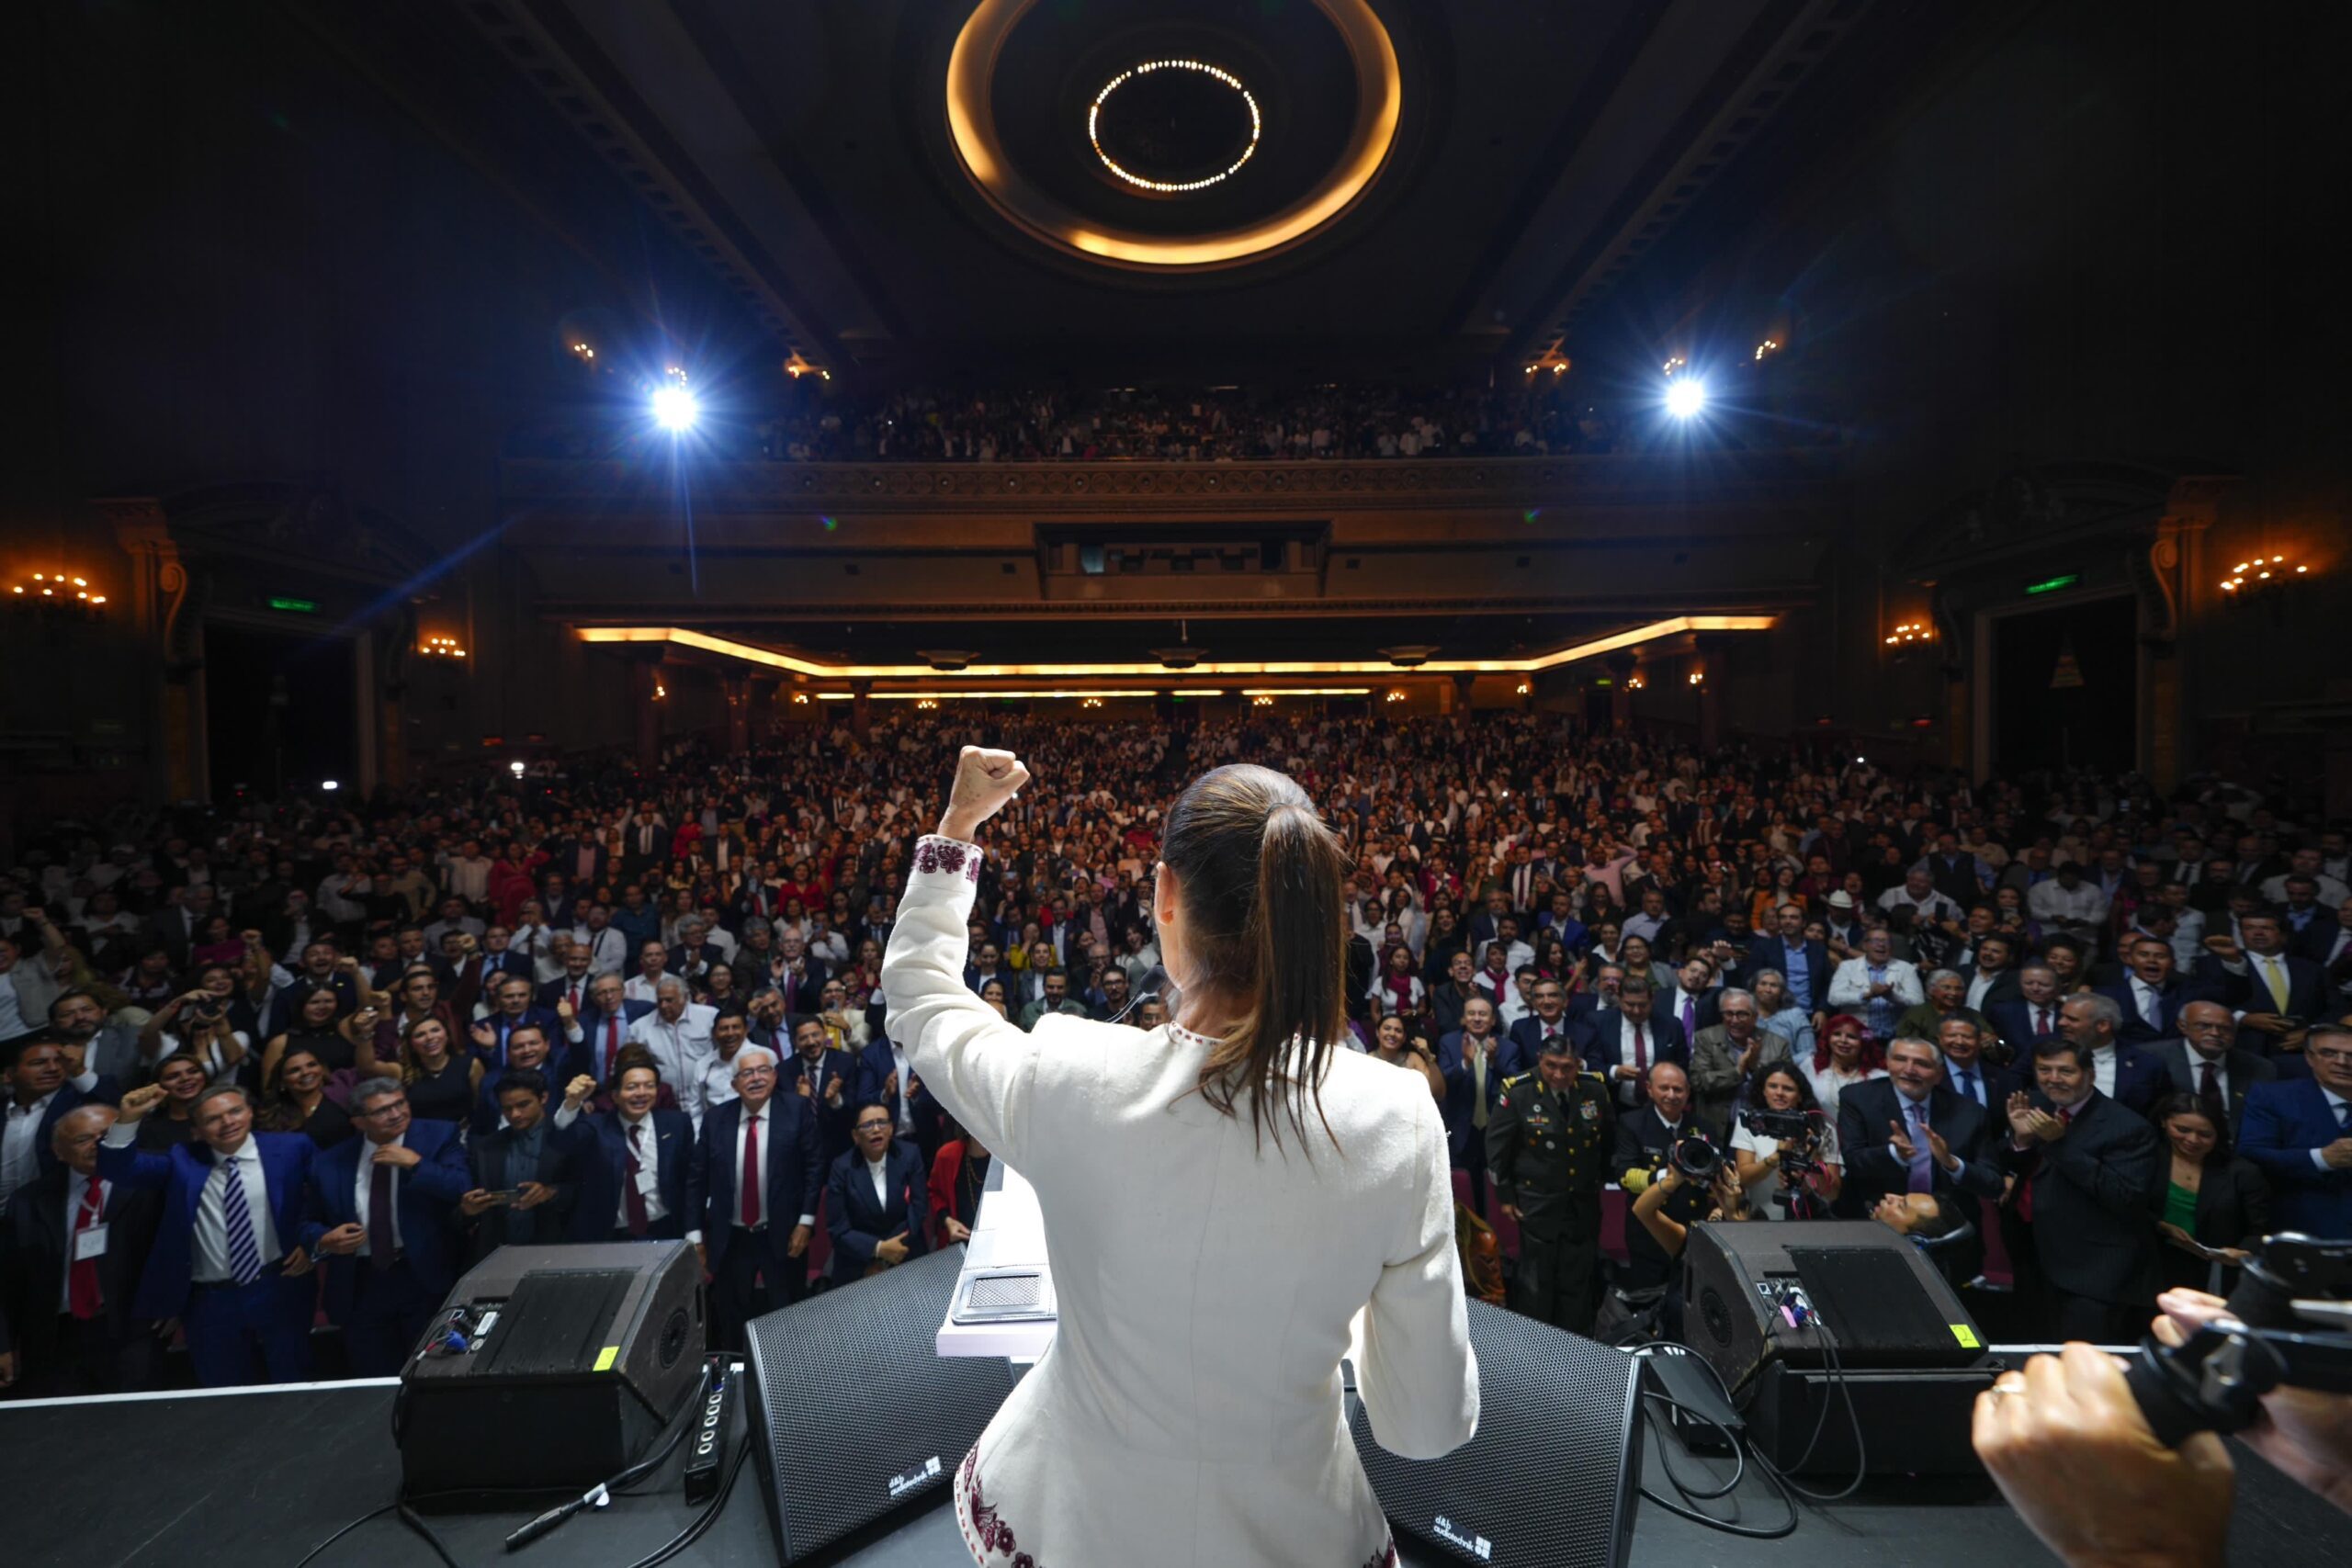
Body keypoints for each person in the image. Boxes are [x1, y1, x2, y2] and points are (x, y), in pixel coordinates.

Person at [878, 748, 1476, 1568]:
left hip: (1075, 1523)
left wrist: (957, 830)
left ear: (1165, 896)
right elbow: (1425, 1423)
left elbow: (919, 995)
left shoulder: (1068, 1074)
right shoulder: (1396, 1117)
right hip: (1299, 1533)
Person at [98, 1080, 322, 1385]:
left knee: (295, 1380)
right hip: (211, 1300)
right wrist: (128, 1119)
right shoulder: (182, 1159)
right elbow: (117, 1170)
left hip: (279, 1284)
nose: (228, 1122)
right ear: (197, 1130)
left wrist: (313, 1243)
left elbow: (325, 1199)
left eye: (235, 1111)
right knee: (224, 1392)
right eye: (213, 1119)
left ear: (250, 1112)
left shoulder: (292, 1147)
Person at [1999, 1036, 2164, 1341]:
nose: (2053, 1079)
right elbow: (2019, 1168)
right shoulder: (2036, 1104)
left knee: (2081, 1364)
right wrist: (2020, 1142)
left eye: (2065, 1071)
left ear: (2090, 1074)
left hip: (2093, 1271)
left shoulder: (2128, 1127)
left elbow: (2124, 1196)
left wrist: (2058, 1143)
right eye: (2044, 1070)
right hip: (2034, 1258)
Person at [308, 1077, 470, 1375]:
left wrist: (417, 1164)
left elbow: (461, 1187)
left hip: (422, 1274)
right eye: (383, 1110)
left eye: (400, 1104)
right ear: (358, 1121)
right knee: (373, 1375)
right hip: (361, 1282)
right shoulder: (329, 1161)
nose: (396, 1114)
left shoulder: (439, 1135)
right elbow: (308, 1221)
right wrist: (324, 1239)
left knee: (433, 1372)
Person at [0, 1104, 163, 1397]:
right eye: (83, 1139)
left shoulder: (154, 1184)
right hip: (57, 1337)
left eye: (108, 1134)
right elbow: (8, 1280)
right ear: (59, 1151)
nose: (98, 1144)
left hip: (133, 1331)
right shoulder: (28, 1201)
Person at [1486, 1033, 1613, 1334]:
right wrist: (1505, 1196)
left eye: (1567, 1067)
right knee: (1536, 1283)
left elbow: (1608, 1141)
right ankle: (1538, 1346)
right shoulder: (1519, 1092)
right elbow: (1497, 1150)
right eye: (1551, 1066)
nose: (1559, 1074)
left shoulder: (1593, 1089)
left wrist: (1600, 1182)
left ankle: (1576, 1347)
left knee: (1578, 1280)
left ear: (1577, 1064)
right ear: (1540, 1061)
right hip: (1537, 1200)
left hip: (1582, 1202)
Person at [695, 1044, 820, 1348]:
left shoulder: (796, 1110)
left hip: (782, 1232)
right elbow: (696, 1180)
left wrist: (805, 1222)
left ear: (775, 1076)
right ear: (734, 1083)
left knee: (787, 1311)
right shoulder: (715, 1119)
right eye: (746, 1073)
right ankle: (735, 1379)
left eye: (763, 1070)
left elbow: (814, 1168)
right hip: (731, 1237)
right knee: (731, 1316)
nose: (755, 1078)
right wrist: (696, 1238)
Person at [559, 1050, 699, 1243]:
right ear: (615, 1096)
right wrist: (571, 1104)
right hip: (611, 1235)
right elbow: (562, 1142)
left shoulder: (677, 1124)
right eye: (632, 1087)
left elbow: (691, 1182)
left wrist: (693, 1232)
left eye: (649, 1086)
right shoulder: (596, 1126)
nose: (641, 1093)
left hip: (665, 1229)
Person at [2234, 1023, 2352, 1237]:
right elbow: (2252, 1153)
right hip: (2300, 1229)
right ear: (2309, 1057)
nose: (2342, 1062)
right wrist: (2322, 1158)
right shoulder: (2274, 1097)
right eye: (2329, 1053)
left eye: (2350, 1055)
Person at [2144, 1093, 2267, 1295]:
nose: (2193, 1140)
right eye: (2182, 1130)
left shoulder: (2241, 1172)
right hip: (2150, 1265)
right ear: (2164, 1122)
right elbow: (2127, 1207)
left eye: (2205, 1134)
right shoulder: (2147, 1158)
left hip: (2213, 1274)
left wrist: (2244, 1252)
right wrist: (2161, 1225)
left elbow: (2260, 1230)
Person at [459, 1069, 577, 1258]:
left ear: (543, 1098)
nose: (515, 1114)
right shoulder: (485, 1147)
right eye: (507, 1108)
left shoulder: (567, 1139)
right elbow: (462, 1211)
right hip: (499, 1255)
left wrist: (550, 1193)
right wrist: (468, 1210)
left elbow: (585, 1192)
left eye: (523, 1105)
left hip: (556, 1251)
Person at [3, 1035, 119, 1209]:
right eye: (39, 1063)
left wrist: (79, 1071)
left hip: (54, 1211)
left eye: (60, 1061)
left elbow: (116, 1109)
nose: (53, 1068)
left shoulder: (79, 1102)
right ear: (9, 1075)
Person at [825, 1098, 931, 1282]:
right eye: (867, 1125)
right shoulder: (841, 1167)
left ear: (891, 1129)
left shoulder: (910, 1155)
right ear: (855, 1136)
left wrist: (889, 1252)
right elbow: (838, 1229)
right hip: (859, 1261)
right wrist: (878, 1249)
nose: (875, 1129)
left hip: (906, 1250)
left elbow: (919, 1208)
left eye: (882, 1122)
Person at [1730, 1062, 1843, 1220]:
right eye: (1773, 1086)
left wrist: (1813, 1156)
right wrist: (1777, 1157)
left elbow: (1832, 1194)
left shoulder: (1822, 1128)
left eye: (1788, 1089)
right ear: (1763, 1091)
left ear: (1800, 1095)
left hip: (1813, 1219)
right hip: (1763, 1219)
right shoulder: (1750, 1124)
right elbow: (1743, 1179)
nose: (1779, 1093)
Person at [2156, 998, 2275, 1143]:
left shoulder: (2260, 1068)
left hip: (2237, 1153)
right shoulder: (2154, 1059)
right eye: (2204, 1026)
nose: (2215, 1033)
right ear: (2183, 1026)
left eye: (2225, 1028)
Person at [1686, 987, 1788, 1138]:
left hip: (1761, 1128)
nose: (1734, 1020)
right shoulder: (1706, 1038)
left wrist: (1754, 1068)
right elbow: (1698, 1081)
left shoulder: (1778, 1044)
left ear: (1755, 1016)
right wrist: (1738, 1071)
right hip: (1716, 1126)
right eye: (1729, 1013)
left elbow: (1786, 1088)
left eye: (1742, 1014)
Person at [2056, 993, 2167, 1116]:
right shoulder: (2043, 1052)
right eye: (2062, 1016)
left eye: (2072, 1019)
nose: (2061, 1022)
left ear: (2103, 1026)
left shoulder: (2146, 1065)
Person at [257, 1044, 354, 1148]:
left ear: (321, 1070)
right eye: (295, 1070)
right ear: (282, 1083)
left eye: (311, 1065)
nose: (305, 1072)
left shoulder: (342, 1096)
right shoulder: (274, 1118)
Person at [1803, 1011, 1886, 1116]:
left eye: (1851, 1037)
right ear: (1827, 1038)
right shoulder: (1810, 1065)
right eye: (1837, 1034)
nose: (1843, 1040)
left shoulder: (1877, 1077)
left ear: (1863, 1043)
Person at [930, 1123, 993, 1247]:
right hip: (962, 1243)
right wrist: (947, 1220)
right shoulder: (947, 1156)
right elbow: (933, 1193)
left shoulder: (1010, 1157)